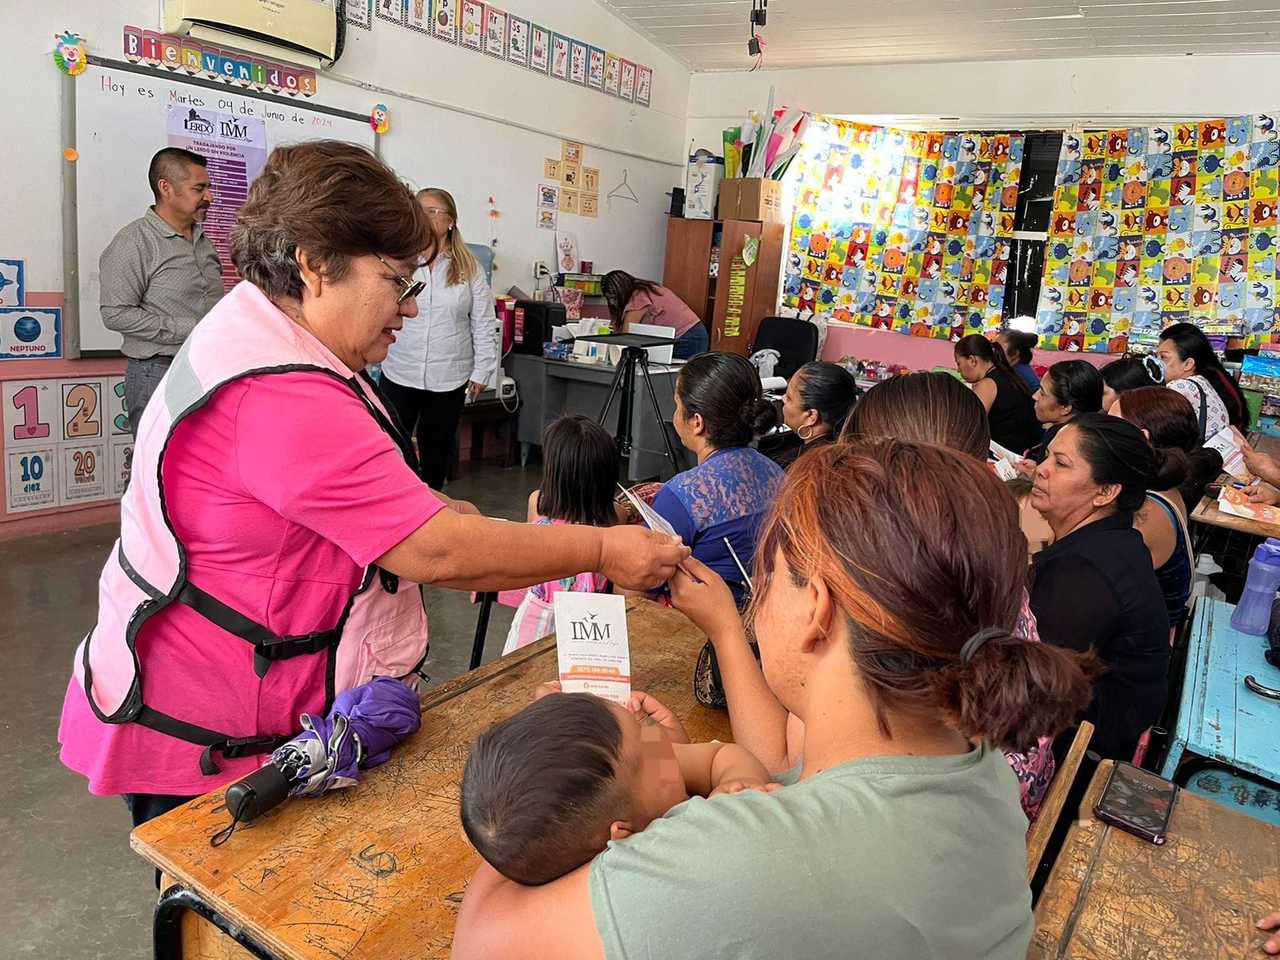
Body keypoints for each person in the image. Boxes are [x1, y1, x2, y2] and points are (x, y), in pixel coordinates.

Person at [57, 141, 688, 831]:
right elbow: (437, 553)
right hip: (209, 730)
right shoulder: (280, 393)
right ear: (314, 264)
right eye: (396, 282)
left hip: (231, 689)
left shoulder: (265, 328)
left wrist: (426, 504)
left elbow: (303, 492)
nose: (409, 309)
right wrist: (604, 550)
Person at [452, 439, 1093, 960]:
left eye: (767, 575)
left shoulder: (739, 862)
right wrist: (657, 762)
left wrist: (548, 750)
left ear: (816, 609)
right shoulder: (974, 765)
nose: (756, 597)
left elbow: (485, 939)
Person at [460, 690, 771, 885]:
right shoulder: (661, 870)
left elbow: (719, 756)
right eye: (645, 741)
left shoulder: (634, 782)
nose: (658, 739)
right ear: (624, 835)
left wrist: (738, 778)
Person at [1028, 414, 1174, 761]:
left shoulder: (1083, 573)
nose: (1041, 469)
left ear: (1106, 492)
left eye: (1061, 463)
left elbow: (1038, 686)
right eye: (1046, 456)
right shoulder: (1113, 540)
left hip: (1080, 752)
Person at [379, 188, 498, 490]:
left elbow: (483, 322)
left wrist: (482, 370)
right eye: (420, 210)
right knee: (391, 448)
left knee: (436, 453)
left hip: (448, 376)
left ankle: (432, 506)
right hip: (400, 369)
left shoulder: (469, 267)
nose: (425, 217)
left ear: (451, 221)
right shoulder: (401, 260)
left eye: (433, 211)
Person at [99, 147, 224, 435]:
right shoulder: (134, 242)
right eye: (199, 189)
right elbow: (115, 314)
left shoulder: (203, 241)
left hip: (209, 369)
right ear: (166, 188)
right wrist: (189, 328)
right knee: (160, 460)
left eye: (209, 188)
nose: (210, 197)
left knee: (202, 459)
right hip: (157, 373)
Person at [651, 352, 782, 602]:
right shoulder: (778, 473)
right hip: (769, 610)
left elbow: (640, 584)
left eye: (678, 405)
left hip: (704, 620)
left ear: (697, 422)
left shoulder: (684, 495)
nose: (675, 414)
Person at [503, 416, 618, 654]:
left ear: (554, 473)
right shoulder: (614, 516)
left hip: (535, 619)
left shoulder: (538, 503)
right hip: (591, 626)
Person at [1111, 388, 1207, 631]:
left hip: (1138, 639)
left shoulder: (1147, 511)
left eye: (1110, 425)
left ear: (1140, 438)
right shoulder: (1163, 488)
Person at [954, 333, 1042, 455]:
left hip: (1007, 455)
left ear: (972, 360)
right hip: (1024, 448)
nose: (958, 370)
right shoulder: (1007, 374)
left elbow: (968, 426)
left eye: (959, 363)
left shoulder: (987, 384)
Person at [1158, 322, 1248, 439]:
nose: (1156, 362)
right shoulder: (1205, 378)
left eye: (1163, 357)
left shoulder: (1180, 386)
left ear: (1188, 363)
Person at [767, 360, 860, 469]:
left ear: (811, 416)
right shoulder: (854, 454)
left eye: (789, 398)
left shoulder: (790, 468)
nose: (783, 399)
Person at [601, 270, 708, 360]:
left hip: (688, 337)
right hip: (695, 333)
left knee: (674, 374)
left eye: (613, 297)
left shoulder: (638, 298)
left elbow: (626, 335)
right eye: (609, 298)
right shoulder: (648, 288)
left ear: (621, 290)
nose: (613, 302)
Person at [1025, 360, 1104, 463]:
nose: (1034, 396)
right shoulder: (1093, 435)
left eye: (1042, 393)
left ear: (1066, 407)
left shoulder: (1060, 439)